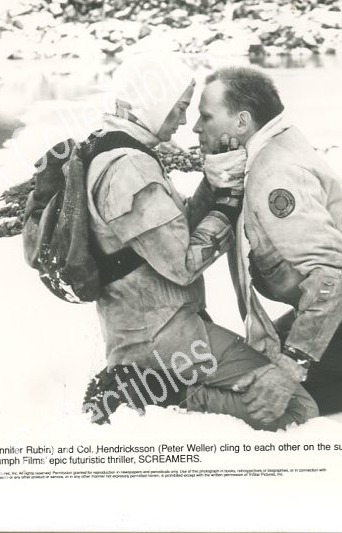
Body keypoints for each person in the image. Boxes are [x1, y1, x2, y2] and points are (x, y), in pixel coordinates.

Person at [82, 52, 318, 429]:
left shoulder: (112, 149)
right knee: (296, 408)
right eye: (179, 108)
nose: (183, 121)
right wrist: (227, 204)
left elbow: (167, 235)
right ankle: (156, 394)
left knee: (268, 379)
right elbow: (182, 264)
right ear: (153, 102)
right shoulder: (131, 170)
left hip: (140, 328)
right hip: (163, 337)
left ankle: (151, 387)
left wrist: (213, 184)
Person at [193, 65, 342, 418]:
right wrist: (216, 181)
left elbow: (335, 273)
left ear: (242, 122)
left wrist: (291, 365)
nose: (195, 127)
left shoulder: (274, 176)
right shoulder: (270, 144)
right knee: (254, 360)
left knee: (262, 387)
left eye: (206, 117)